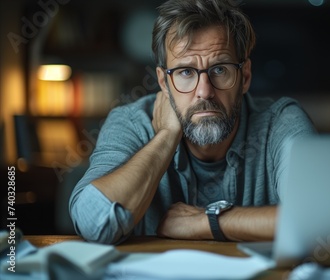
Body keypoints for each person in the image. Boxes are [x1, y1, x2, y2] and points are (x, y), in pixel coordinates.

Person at [69, 0, 316, 245]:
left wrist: (207, 222)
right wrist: (166, 136)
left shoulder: (281, 123)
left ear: (245, 77)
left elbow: (322, 220)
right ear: (164, 83)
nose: (204, 92)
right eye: (186, 72)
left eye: (220, 69)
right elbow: (93, 224)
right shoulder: (131, 123)